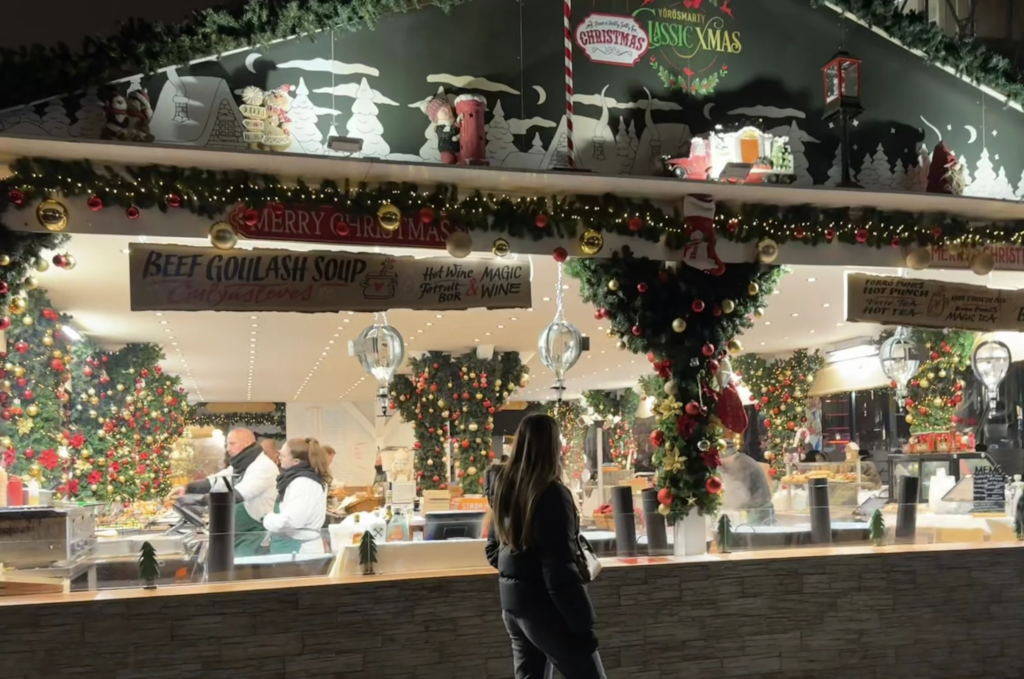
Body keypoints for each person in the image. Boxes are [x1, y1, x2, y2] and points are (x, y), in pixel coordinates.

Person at [486, 414, 606, 679]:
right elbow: (559, 569)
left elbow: (494, 551)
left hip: (515, 607)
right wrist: (582, 623)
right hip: (547, 609)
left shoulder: (505, 487)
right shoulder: (551, 493)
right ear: (553, 446)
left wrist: (522, 570)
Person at [177, 428, 278, 556]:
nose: (228, 448)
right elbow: (217, 481)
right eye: (227, 444)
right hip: (241, 532)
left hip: (257, 532)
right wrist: (188, 487)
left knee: (246, 571)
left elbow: (237, 495)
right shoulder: (242, 464)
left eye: (232, 443)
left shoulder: (263, 466)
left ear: (246, 443)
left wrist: (199, 500)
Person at [263, 438, 331, 554]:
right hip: (293, 545)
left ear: (296, 461)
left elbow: (292, 521)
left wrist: (267, 519)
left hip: (300, 550)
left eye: (283, 456)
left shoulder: (304, 482)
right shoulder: (297, 479)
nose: (279, 457)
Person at [720, 448, 774, 523]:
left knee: (753, 533)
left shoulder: (743, 465)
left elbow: (740, 494)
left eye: (721, 459)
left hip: (759, 509)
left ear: (729, 456)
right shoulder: (736, 462)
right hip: (753, 508)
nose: (721, 463)